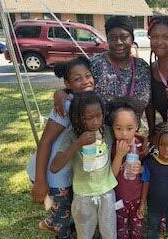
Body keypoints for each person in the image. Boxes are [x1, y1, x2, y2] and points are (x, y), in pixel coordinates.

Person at [26, 56, 94, 238]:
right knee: (63, 221)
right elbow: (45, 142)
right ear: (68, 83)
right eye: (77, 79)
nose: (85, 81)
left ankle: (51, 221)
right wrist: (41, 181)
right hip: (52, 173)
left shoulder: (88, 101)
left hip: (66, 169)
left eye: (88, 76)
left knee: (66, 210)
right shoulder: (66, 105)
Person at [54, 16, 151, 119]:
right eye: (112, 38)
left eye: (124, 37)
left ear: (132, 39)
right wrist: (61, 93)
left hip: (131, 133)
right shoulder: (95, 65)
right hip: (99, 133)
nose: (118, 42)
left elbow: (150, 103)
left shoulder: (143, 67)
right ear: (107, 40)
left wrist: (151, 130)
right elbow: (77, 86)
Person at [50, 91, 118, 239]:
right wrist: (78, 143)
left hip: (106, 192)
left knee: (109, 233)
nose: (95, 121)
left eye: (99, 115)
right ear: (78, 118)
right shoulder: (72, 135)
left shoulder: (107, 131)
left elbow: (126, 134)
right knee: (85, 234)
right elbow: (54, 167)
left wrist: (142, 139)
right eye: (89, 118)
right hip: (83, 195)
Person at [108, 97, 145, 239]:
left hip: (136, 199)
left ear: (136, 127)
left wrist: (140, 169)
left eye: (129, 128)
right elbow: (111, 176)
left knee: (136, 230)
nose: (124, 133)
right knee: (121, 230)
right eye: (118, 128)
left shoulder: (142, 146)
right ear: (113, 128)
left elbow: (148, 173)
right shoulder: (113, 147)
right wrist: (119, 155)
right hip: (119, 199)